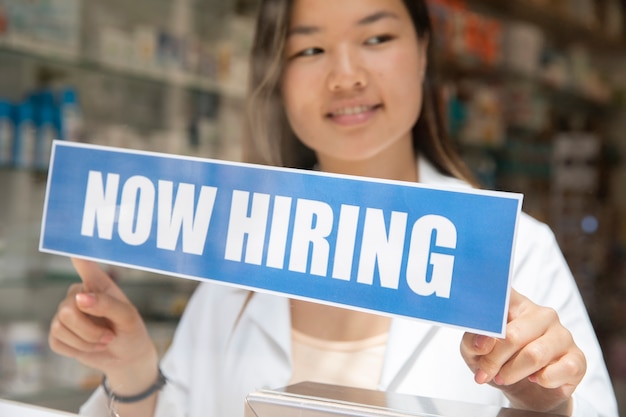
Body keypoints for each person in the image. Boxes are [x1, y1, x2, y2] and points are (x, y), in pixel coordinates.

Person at [48, 0, 619, 416]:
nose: (345, 76)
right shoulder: (238, 239)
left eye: (376, 39)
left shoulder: (516, 249)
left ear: (423, 52)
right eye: (311, 49)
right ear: (276, 76)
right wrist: (132, 370)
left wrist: (542, 405)